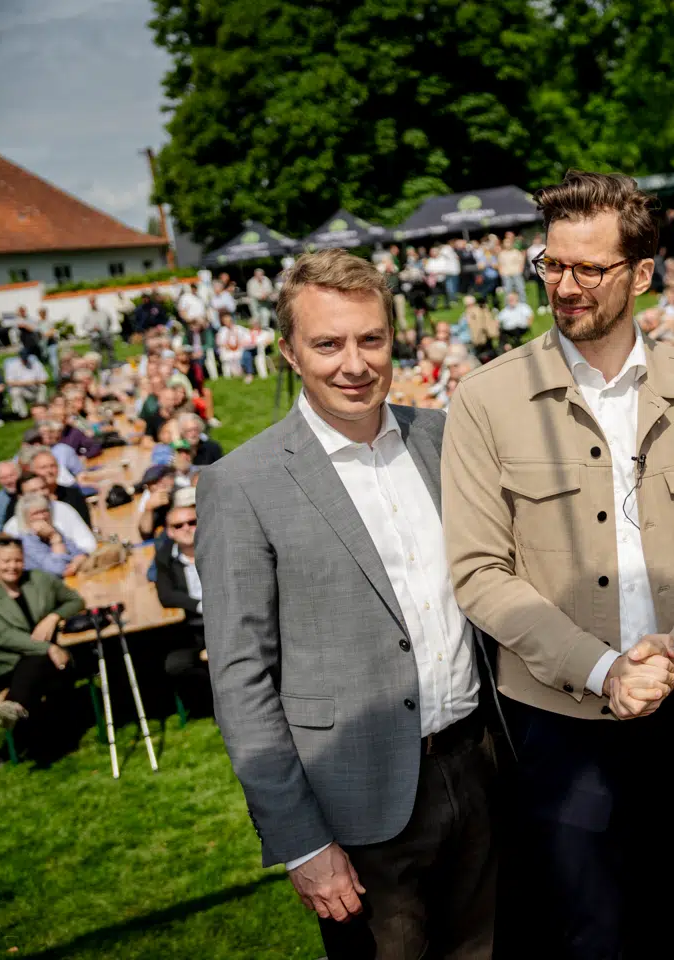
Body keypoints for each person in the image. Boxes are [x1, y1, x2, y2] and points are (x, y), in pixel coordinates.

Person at [443, 170, 674, 958]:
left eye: (589, 269)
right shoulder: (486, 399)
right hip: (563, 730)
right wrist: (603, 671)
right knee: (593, 939)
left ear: (643, 275)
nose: (565, 286)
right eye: (552, 265)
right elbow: (479, 571)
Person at [200, 249, 497, 960]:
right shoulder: (241, 485)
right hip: (357, 808)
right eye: (327, 344)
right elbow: (241, 682)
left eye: (371, 339)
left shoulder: (444, 438)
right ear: (288, 353)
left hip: (481, 770)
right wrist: (300, 838)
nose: (353, 363)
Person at [0, 535, 83, 751]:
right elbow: (2, 636)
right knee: (39, 660)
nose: (12, 566)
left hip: (41, 662)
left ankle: (9, 705)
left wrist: (53, 617)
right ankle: (12, 707)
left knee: (41, 664)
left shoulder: (39, 579)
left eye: (17, 560)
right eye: (6, 561)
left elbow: (75, 600)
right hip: (4, 660)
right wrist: (49, 647)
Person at [155, 491, 209, 699]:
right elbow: (166, 595)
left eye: (191, 522)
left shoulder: (219, 549)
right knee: (174, 665)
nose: (186, 528)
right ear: (170, 532)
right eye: (178, 526)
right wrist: (199, 605)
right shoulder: (166, 558)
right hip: (195, 627)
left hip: (229, 620)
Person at [13, 493, 88, 577]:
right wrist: (54, 538)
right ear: (25, 518)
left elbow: (81, 553)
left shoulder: (53, 530)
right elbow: (59, 569)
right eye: (36, 513)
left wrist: (75, 564)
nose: (42, 517)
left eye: (45, 511)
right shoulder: (26, 541)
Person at [23, 450, 92, 529]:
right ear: (32, 471)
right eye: (43, 467)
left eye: (53, 466)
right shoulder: (27, 500)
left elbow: (85, 527)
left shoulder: (73, 494)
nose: (49, 471)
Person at [136, 464, 177, 541]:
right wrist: (148, 509)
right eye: (149, 485)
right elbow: (146, 535)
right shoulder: (158, 505)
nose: (152, 488)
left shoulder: (182, 494)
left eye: (155, 482)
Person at [4, 348, 48, 418]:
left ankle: (41, 409)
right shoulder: (12, 365)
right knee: (14, 391)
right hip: (23, 389)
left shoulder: (35, 363)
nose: (25, 360)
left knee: (43, 387)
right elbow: (8, 382)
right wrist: (24, 383)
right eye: (23, 358)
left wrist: (35, 382)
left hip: (35, 388)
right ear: (19, 357)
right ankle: (23, 414)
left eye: (26, 358)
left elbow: (45, 378)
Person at [497, 233, 527, 302]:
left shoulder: (516, 252)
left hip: (516, 273)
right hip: (506, 274)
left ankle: (523, 305)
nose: (507, 244)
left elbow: (521, 262)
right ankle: (508, 307)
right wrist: (501, 273)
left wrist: (520, 270)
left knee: (520, 289)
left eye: (509, 243)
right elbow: (499, 264)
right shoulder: (501, 254)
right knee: (507, 291)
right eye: (506, 243)